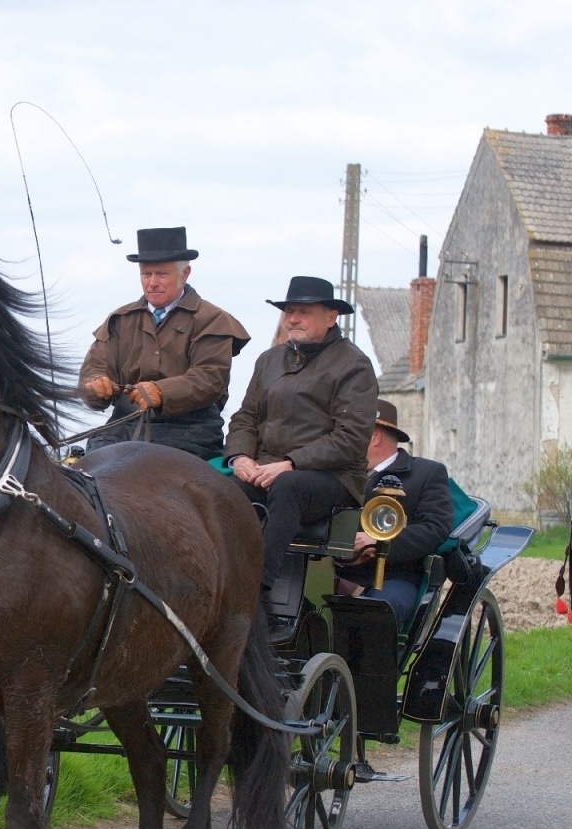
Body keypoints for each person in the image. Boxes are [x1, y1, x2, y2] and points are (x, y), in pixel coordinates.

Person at [224, 275, 378, 595]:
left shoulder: (354, 365)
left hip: (331, 479)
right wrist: (240, 458)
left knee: (289, 486)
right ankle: (216, 576)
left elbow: (350, 438)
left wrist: (291, 463)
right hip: (267, 469)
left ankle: (258, 587)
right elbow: (245, 417)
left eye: (303, 311)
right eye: (289, 311)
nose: (292, 318)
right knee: (221, 489)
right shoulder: (269, 360)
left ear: (331, 317)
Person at [78, 227, 249, 460]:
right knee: (89, 469)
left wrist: (162, 392)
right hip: (123, 426)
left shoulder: (212, 320)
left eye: (162, 274)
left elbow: (210, 379)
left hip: (189, 430)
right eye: (146, 274)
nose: (152, 283)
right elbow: (93, 369)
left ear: (185, 273)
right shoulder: (120, 320)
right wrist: (94, 385)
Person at [334, 400, 454, 625]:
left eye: (351, 433)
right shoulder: (339, 473)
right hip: (333, 572)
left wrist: (377, 541)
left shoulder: (427, 473)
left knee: (376, 615)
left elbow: (435, 528)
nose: (342, 442)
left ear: (374, 437)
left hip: (393, 577)